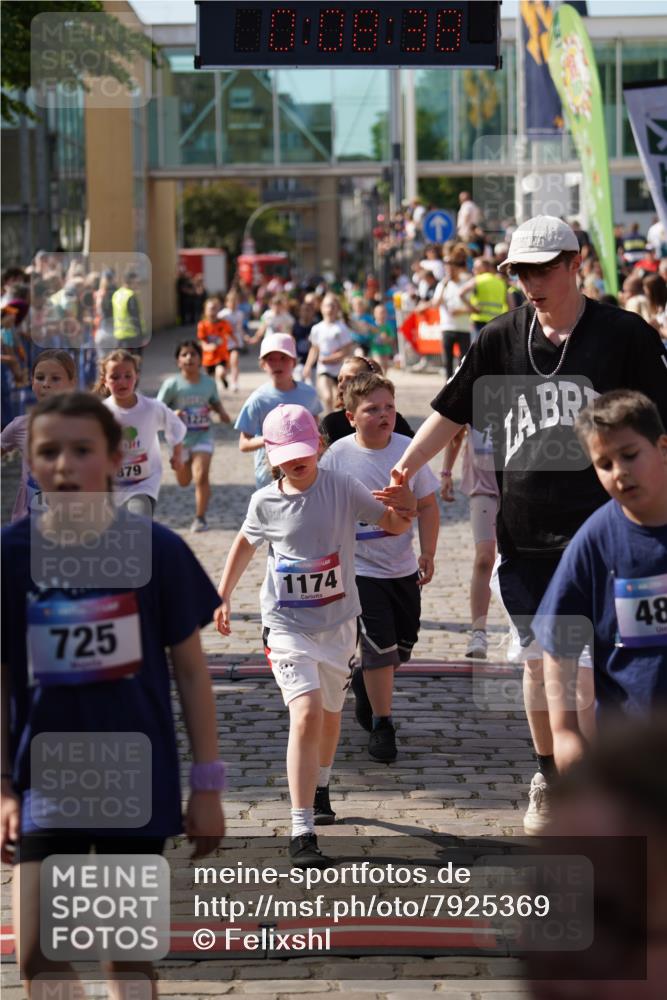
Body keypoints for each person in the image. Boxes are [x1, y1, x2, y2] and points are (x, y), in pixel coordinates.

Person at [385, 215, 667, 835]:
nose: (530, 283)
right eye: (520, 272)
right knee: (541, 668)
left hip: (605, 536)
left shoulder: (625, 336)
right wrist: (404, 468)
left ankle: (600, 789)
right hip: (527, 537)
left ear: (575, 263)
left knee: (592, 676)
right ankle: (551, 774)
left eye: (542, 269)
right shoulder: (498, 338)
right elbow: (448, 412)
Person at [0, 392, 225, 996]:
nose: (65, 465)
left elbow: (192, 672)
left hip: (133, 779)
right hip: (42, 781)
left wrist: (207, 785)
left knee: (124, 962)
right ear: (30, 461)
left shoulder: (158, 550)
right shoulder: (9, 555)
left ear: (115, 456)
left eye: (81, 450)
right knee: (37, 960)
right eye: (48, 452)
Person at [214, 404, 414, 867]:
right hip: (286, 627)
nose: (296, 461)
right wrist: (222, 594)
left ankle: (321, 783)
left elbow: (391, 524)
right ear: (270, 454)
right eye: (286, 454)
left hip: (339, 625)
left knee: (329, 714)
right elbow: (245, 542)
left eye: (304, 451)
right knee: (304, 713)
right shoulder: (265, 500)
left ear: (319, 446)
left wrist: (404, 508)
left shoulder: (341, 486)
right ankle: (300, 828)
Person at [534, 390, 667, 773]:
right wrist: (565, 732)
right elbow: (558, 641)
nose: (619, 471)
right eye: (603, 463)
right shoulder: (596, 541)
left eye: (629, 455)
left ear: (662, 447)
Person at [320, 374, 439, 763]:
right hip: (360, 571)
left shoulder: (409, 450)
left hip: (402, 567)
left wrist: (428, 552)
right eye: (373, 409)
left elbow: (429, 506)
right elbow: (324, 505)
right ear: (351, 416)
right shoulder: (338, 455)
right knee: (379, 647)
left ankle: (364, 681)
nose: (384, 414)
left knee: (401, 647)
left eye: (389, 407)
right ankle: (382, 724)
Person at [96, 349, 186, 518]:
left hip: (143, 484)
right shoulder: (100, 413)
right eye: (115, 377)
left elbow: (176, 427)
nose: (122, 381)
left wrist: (177, 455)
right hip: (109, 487)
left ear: (136, 376)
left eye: (127, 375)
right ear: (104, 381)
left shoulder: (152, 408)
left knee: (138, 521)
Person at [157, 339, 231, 533]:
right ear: (178, 361)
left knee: (201, 476)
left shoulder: (208, 383)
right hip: (179, 441)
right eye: (184, 354)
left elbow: (214, 401)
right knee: (183, 481)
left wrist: (221, 412)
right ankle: (183, 468)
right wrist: (173, 415)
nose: (189, 357)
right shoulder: (172, 384)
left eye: (193, 354)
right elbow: (157, 409)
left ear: (200, 359)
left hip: (203, 436)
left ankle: (200, 518)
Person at [440, 423, 499, 659]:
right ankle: (479, 631)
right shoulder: (475, 390)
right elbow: (453, 433)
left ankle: (521, 626)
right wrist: (446, 473)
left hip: (519, 485)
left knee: (515, 559)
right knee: (485, 558)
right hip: (482, 485)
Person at [235, 333, 322, 489]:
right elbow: (243, 444)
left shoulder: (309, 393)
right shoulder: (258, 400)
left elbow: (316, 428)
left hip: (304, 471)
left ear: (294, 362)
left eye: (283, 358)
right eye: (270, 359)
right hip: (269, 476)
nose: (277, 364)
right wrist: (270, 438)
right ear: (262, 364)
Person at [1, 349, 77, 521]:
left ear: (72, 383)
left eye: (55, 378)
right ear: (32, 382)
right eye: (40, 377)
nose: (46, 384)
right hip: (27, 524)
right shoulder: (19, 426)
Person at [320, 355, 413, 446]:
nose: (341, 385)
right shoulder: (331, 423)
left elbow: (415, 451)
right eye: (340, 379)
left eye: (349, 378)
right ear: (351, 418)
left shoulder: (394, 420)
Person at [302, 293, 355, 413]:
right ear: (321, 308)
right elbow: (314, 349)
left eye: (333, 306)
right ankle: (329, 422)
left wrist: (332, 358)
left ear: (337, 309)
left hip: (340, 371)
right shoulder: (317, 328)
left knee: (339, 400)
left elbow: (347, 350)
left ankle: (340, 424)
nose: (329, 309)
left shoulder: (341, 328)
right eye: (326, 306)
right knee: (326, 397)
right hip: (323, 369)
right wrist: (308, 366)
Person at [432, 244, 472, 381]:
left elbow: (473, 306)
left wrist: (460, 311)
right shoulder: (442, 284)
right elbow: (435, 304)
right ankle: (448, 388)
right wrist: (443, 285)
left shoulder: (466, 283)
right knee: (447, 362)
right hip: (447, 327)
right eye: (446, 268)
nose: (449, 270)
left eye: (451, 267)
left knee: (463, 361)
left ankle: (461, 387)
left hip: (463, 327)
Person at [460, 256, 509, 341]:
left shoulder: (477, 279)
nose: (473, 270)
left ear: (485, 267)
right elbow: (511, 304)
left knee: (478, 351)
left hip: (479, 320)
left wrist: (472, 308)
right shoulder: (501, 282)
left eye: (476, 267)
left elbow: (461, 293)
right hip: (496, 321)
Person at [197, 296, 231, 397]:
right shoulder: (202, 325)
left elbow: (230, 333)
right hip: (208, 358)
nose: (213, 311)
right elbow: (201, 341)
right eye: (210, 309)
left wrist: (237, 342)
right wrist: (207, 346)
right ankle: (214, 393)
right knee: (210, 380)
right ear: (205, 311)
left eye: (215, 309)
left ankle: (222, 377)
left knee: (219, 372)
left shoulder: (223, 323)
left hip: (221, 355)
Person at [217, 288, 246, 393]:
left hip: (236, 342)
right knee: (224, 368)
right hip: (224, 343)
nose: (233, 304)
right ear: (226, 302)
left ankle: (234, 383)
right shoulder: (222, 315)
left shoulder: (240, 314)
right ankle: (223, 378)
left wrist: (245, 337)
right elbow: (217, 329)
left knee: (234, 362)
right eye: (231, 301)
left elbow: (240, 328)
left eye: (236, 301)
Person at [112, 268, 146, 351]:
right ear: (130, 282)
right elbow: (135, 317)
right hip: (132, 336)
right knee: (134, 361)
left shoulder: (117, 294)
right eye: (136, 282)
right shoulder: (130, 295)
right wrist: (141, 336)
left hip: (119, 335)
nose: (138, 285)